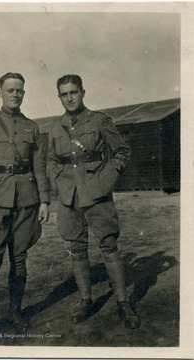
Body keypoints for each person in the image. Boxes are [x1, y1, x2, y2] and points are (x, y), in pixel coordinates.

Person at [46, 74, 140, 329]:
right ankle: (85, 300)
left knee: (108, 246)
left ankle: (123, 303)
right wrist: (57, 181)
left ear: (83, 93)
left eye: (73, 92)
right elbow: (51, 160)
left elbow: (122, 151)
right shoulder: (55, 128)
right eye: (64, 94)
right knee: (77, 249)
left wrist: (105, 181)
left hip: (96, 194)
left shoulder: (99, 121)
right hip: (69, 197)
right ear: (59, 97)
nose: (69, 98)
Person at [0, 72, 50, 338]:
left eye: (19, 90)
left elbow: (39, 167)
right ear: (0, 93)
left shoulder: (32, 127)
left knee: (20, 260)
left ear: (24, 93)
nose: (15, 94)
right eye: (10, 90)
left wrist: (45, 200)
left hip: (26, 202)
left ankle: (15, 312)